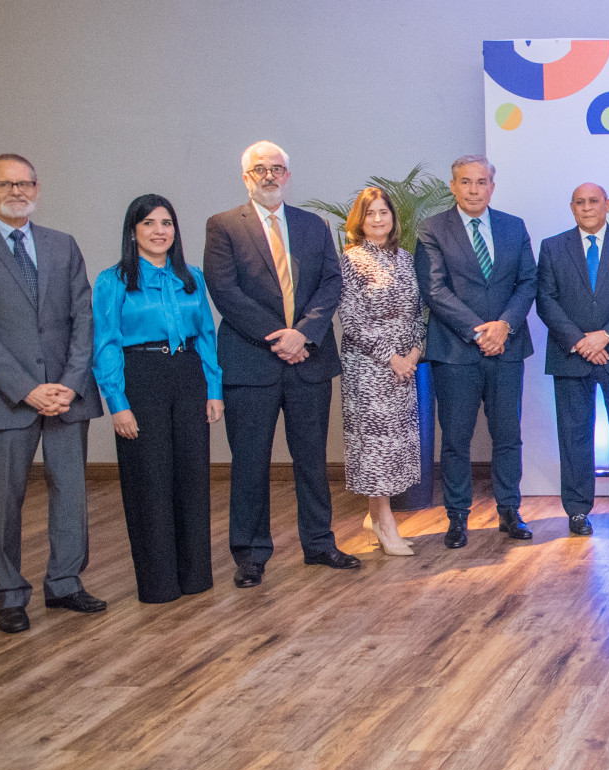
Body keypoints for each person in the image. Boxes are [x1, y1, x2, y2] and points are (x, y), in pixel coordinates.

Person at [0, 153, 106, 633]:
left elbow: (83, 319)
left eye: (24, 184)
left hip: (68, 396)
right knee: (4, 501)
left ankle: (65, 583)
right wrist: (28, 389)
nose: (16, 192)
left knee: (71, 493)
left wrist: (70, 384)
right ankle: (9, 595)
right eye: (4, 184)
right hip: (5, 398)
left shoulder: (62, 244)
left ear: (37, 188)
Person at [204, 141, 356, 588]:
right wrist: (280, 337)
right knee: (250, 462)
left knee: (312, 459)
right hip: (251, 363)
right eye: (259, 169)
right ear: (245, 177)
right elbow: (225, 291)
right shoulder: (223, 226)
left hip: (309, 360)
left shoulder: (314, 224)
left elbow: (331, 283)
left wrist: (303, 334)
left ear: (288, 176)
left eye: (276, 169)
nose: (268, 176)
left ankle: (320, 543)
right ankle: (251, 554)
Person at [92, 195, 224, 604]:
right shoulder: (113, 280)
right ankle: (158, 583)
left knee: (192, 476)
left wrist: (213, 390)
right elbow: (105, 344)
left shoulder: (192, 277)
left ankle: (195, 576)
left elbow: (206, 335)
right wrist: (117, 403)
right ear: (133, 231)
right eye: (148, 223)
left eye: (166, 223)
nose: (159, 231)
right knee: (149, 479)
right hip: (141, 376)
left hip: (187, 374)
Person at [415, 154, 538, 549]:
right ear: (453, 186)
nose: (473, 189)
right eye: (465, 182)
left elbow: (528, 282)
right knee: (456, 439)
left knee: (508, 435)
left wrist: (504, 325)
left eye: (481, 182)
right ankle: (457, 517)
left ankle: (509, 510)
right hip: (455, 353)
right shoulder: (432, 229)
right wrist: (478, 331)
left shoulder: (513, 226)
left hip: (507, 347)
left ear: (492, 187)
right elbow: (434, 289)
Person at [536, 183, 609, 537]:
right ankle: (576, 509)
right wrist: (579, 341)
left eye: (593, 201)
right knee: (574, 435)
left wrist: (606, 335)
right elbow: (546, 300)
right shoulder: (553, 247)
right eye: (580, 202)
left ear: (608, 205)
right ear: (572, 207)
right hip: (571, 356)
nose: (587, 207)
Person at [337, 186, 426, 558]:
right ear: (359, 220)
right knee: (376, 448)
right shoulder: (351, 260)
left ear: (393, 218)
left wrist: (415, 352)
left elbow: (418, 312)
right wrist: (392, 357)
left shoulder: (406, 258)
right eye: (369, 213)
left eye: (383, 212)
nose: (377, 219)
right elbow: (351, 318)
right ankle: (386, 523)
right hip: (369, 368)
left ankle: (376, 517)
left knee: (396, 447)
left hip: (405, 367)